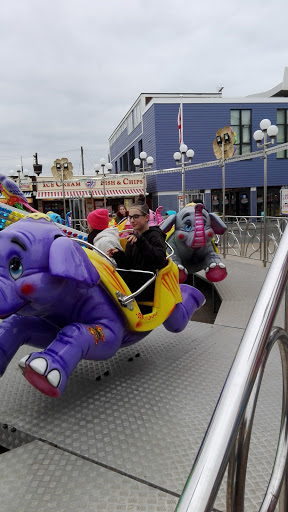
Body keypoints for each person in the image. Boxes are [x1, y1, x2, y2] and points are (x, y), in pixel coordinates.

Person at [107, 201, 167, 303]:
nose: (132, 220)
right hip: (135, 279)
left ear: (147, 217)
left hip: (147, 283)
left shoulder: (154, 236)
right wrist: (118, 255)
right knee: (108, 276)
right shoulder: (133, 236)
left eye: (136, 217)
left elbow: (159, 261)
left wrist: (140, 241)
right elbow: (129, 264)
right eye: (130, 217)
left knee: (111, 283)